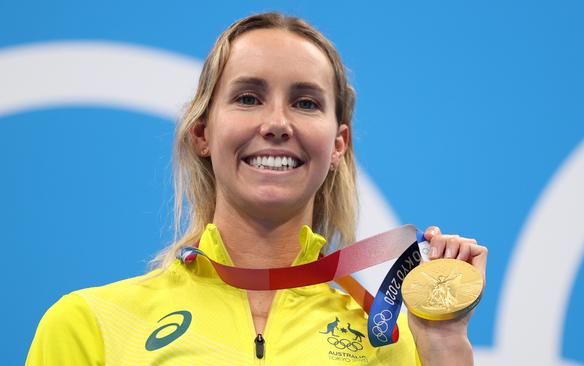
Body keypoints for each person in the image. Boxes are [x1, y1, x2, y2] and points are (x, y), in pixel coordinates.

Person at [26, 12, 487, 365]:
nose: (277, 124)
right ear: (203, 133)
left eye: (305, 103)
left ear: (337, 146)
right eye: (248, 98)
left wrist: (442, 346)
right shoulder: (92, 324)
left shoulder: (391, 343)